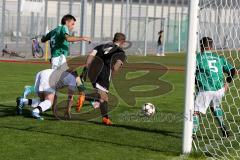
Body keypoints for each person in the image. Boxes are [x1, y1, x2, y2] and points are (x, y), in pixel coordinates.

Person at [77, 32, 127, 125]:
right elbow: (115, 68)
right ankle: (86, 97)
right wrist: (118, 66)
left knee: (104, 97)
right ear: (123, 42)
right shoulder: (121, 52)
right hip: (103, 73)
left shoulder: (101, 46)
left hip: (92, 71)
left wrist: (86, 68)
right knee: (102, 96)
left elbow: (91, 55)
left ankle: (105, 119)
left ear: (113, 40)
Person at [193, 37, 236, 138]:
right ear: (211, 46)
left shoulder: (198, 57)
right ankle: (223, 128)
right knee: (215, 107)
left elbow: (192, 72)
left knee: (195, 111)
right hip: (219, 89)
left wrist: (196, 83)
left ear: (201, 46)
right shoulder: (219, 57)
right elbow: (233, 70)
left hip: (206, 89)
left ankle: (193, 133)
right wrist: (227, 83)